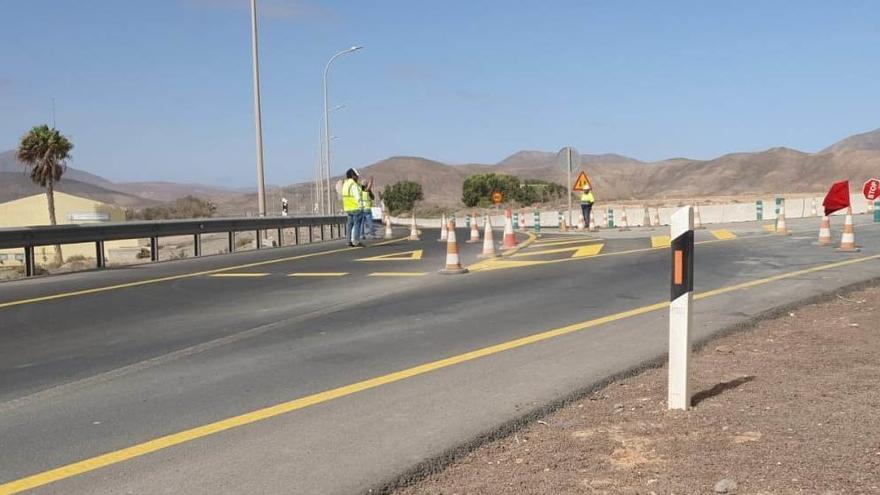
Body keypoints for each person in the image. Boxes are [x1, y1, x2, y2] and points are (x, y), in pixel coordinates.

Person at [341, 168, 364, 247]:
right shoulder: (353, 184)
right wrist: (361, 206)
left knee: (349, 225)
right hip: (356, 207)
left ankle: (348, 242)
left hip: (348, 208)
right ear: (352, 176)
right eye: (356, 175)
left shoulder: (345, 184)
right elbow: (357, 196)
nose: (357, 177)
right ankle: (356, 241)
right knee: (357, 224)